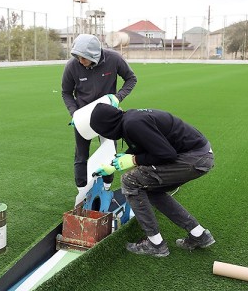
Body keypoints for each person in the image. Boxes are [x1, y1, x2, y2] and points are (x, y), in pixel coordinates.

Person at [90, 103, 215, 257]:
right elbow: (147, 145)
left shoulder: (132, 124)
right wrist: (113, 166)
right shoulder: (130, 119)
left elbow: (167, 154)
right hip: (198, 155)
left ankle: (155, 244)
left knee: (130, 180)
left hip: (195, 158)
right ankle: (199, 235)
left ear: (107, 128)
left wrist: (134, 160)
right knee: (150, 189)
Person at [61, 33, 137, 203]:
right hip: (83, 116)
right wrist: (74, 112)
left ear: (94, 55)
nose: (80, 61)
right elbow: (66, 92)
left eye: (84, 58)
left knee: (109, 151)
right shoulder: (72, 66)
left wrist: (118, 97)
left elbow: (131, 79)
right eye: (78, 57)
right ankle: (81, 192)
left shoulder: (114, 59)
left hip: (108, 115)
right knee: (81, 155)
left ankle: (107, 188)